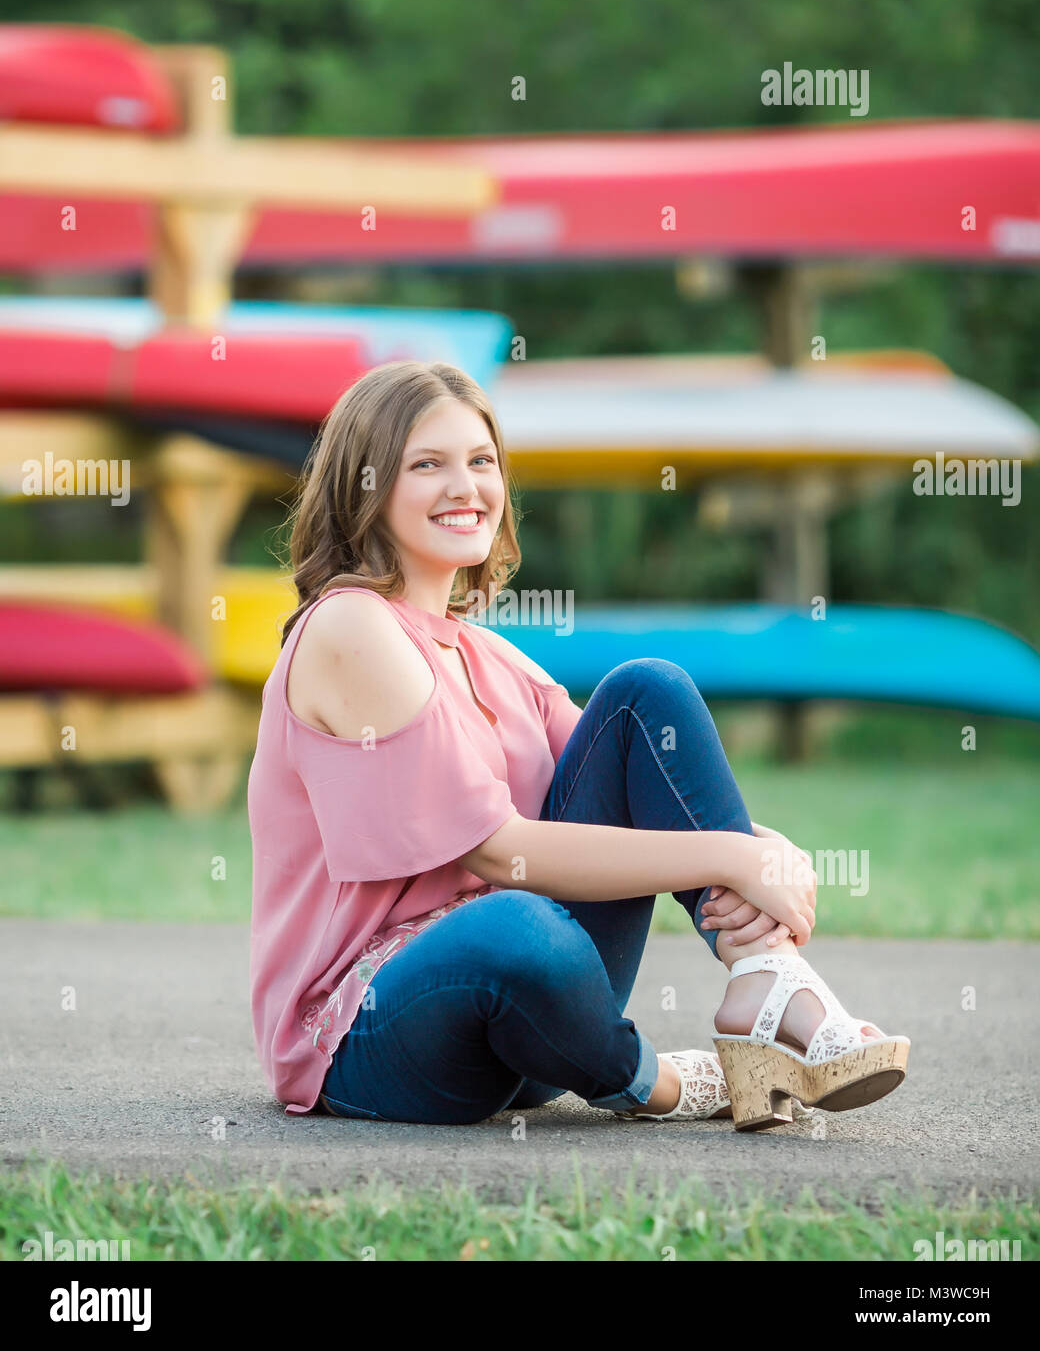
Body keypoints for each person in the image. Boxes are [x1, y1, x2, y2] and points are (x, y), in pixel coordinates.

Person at [247, 360, 909, 1131]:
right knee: (514, 925)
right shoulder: (349, 625)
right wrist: (735, 860)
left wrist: (766, 851)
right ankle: (653, 1082)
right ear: (364, 486)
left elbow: (654, 781)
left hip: (529, 1022)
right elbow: (499, 853)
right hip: (376, 1034)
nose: (466, 487)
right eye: (426, 464)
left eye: (481, 461)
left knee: (645, 695)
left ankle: (768, 982)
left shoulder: (486, 654)